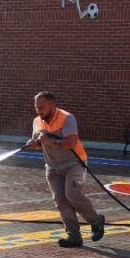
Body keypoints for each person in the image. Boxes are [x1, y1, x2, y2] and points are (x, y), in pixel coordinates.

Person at [27, 91, 106, 248]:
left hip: (74, 163)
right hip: (52, 166)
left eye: (42, 107)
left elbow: (70, 143)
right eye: (37, 108)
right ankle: (74, 236)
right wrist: (33, 143)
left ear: (53, 106)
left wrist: (48, 140)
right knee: (61, 201)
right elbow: (38, 143)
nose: (39, 111)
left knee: (73, 196)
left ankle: (95, 220)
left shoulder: (67, 118)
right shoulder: (37, 121)